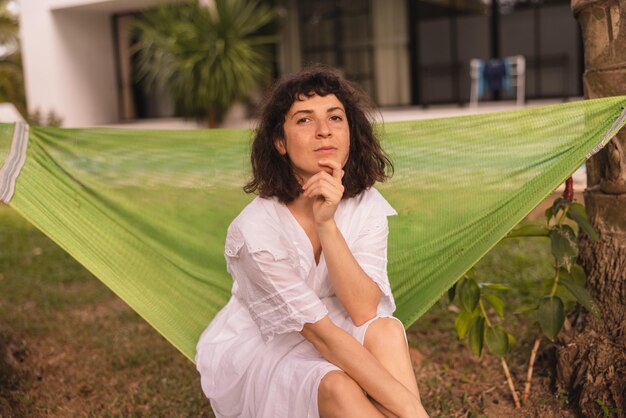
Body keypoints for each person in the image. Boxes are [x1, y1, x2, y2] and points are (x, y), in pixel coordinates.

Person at [195, 66, 429, 418]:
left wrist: (327, 224)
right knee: (336, 385)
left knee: (385, 330)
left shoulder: (364, 203)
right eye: (304, 120)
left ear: (350, 131)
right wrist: (413, 412)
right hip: (272, 340)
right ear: (279, 141)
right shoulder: (254, 232)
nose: (324, 131)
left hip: (339, 320)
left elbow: (364, 310)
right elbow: (320, 336)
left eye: (336, 117)